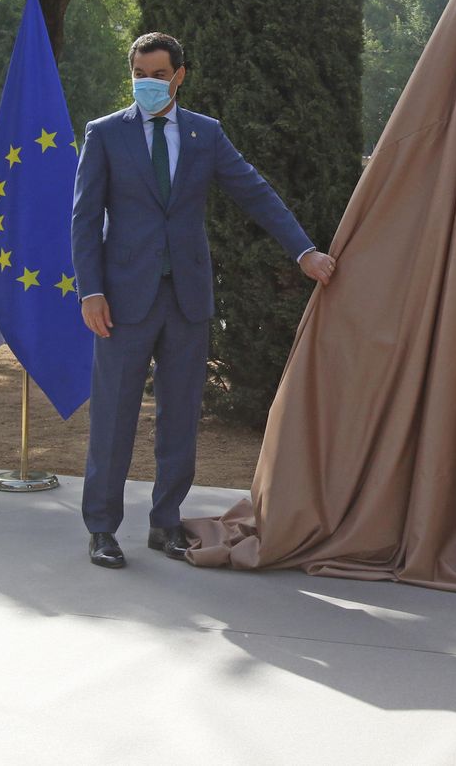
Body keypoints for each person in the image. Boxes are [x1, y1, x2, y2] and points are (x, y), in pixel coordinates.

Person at [71, 32, 336, 569]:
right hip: (121, 301)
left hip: (187, 298)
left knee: (180, 415)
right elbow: (83, 217)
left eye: (158, 74)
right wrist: (91, 291)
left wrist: (304, 252)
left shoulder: (204, 135)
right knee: (114, 418)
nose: (148, 83)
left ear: (180, 76)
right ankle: (102, 528)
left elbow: (254, 191)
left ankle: (166, 522)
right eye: (139, 74)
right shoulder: (105, 135)